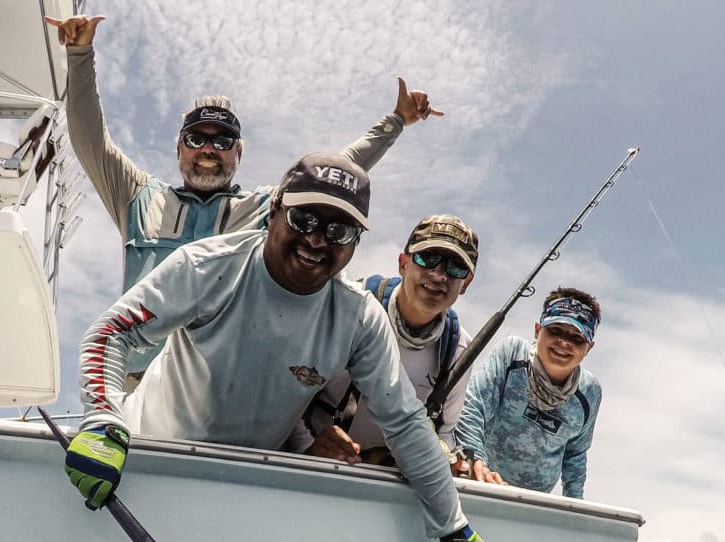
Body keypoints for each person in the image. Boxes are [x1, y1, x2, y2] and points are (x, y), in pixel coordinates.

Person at [63, 151, 491, 542]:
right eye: (304, 218)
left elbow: (404, 422)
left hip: (246, 494)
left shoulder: (358, 316)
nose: (318, 240)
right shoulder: (207, 265)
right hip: (141, 468)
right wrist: (102, 417)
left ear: (355, 243)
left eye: (338, 230)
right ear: (274, 210)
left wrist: (453, 525)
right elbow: (113, 333)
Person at [45, 13, 443, 382]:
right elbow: (90, 141)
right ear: (179, 148)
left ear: (239, 152)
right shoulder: (137, 195)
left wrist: (394, 123)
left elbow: (339, 169)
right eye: (196, 138)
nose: (208, 149)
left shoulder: (264, 209)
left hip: (219, 394)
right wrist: (80, 54)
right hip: (135, 386)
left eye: (223, 141)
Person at [292, 214, 478, 467]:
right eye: (427, 258)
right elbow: (285, 391)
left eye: (455, 267)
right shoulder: (345, 306)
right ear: (403, 264)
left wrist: (450, 459)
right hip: (305, 467)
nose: (439, 275)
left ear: (466, 282)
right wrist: (307, 447)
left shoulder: (457, 350)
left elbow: (444, 432)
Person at [454, 287, 602, 499]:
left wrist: (575, 504)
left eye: (577, 338)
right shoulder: (511, 354)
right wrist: (475, 460)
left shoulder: (590, 392)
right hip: (480, 487)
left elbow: (575, 455)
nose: (564, 343)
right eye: (555, 330)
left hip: (532, 505)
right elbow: (472, 407)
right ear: (537, 329)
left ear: (589, 347)